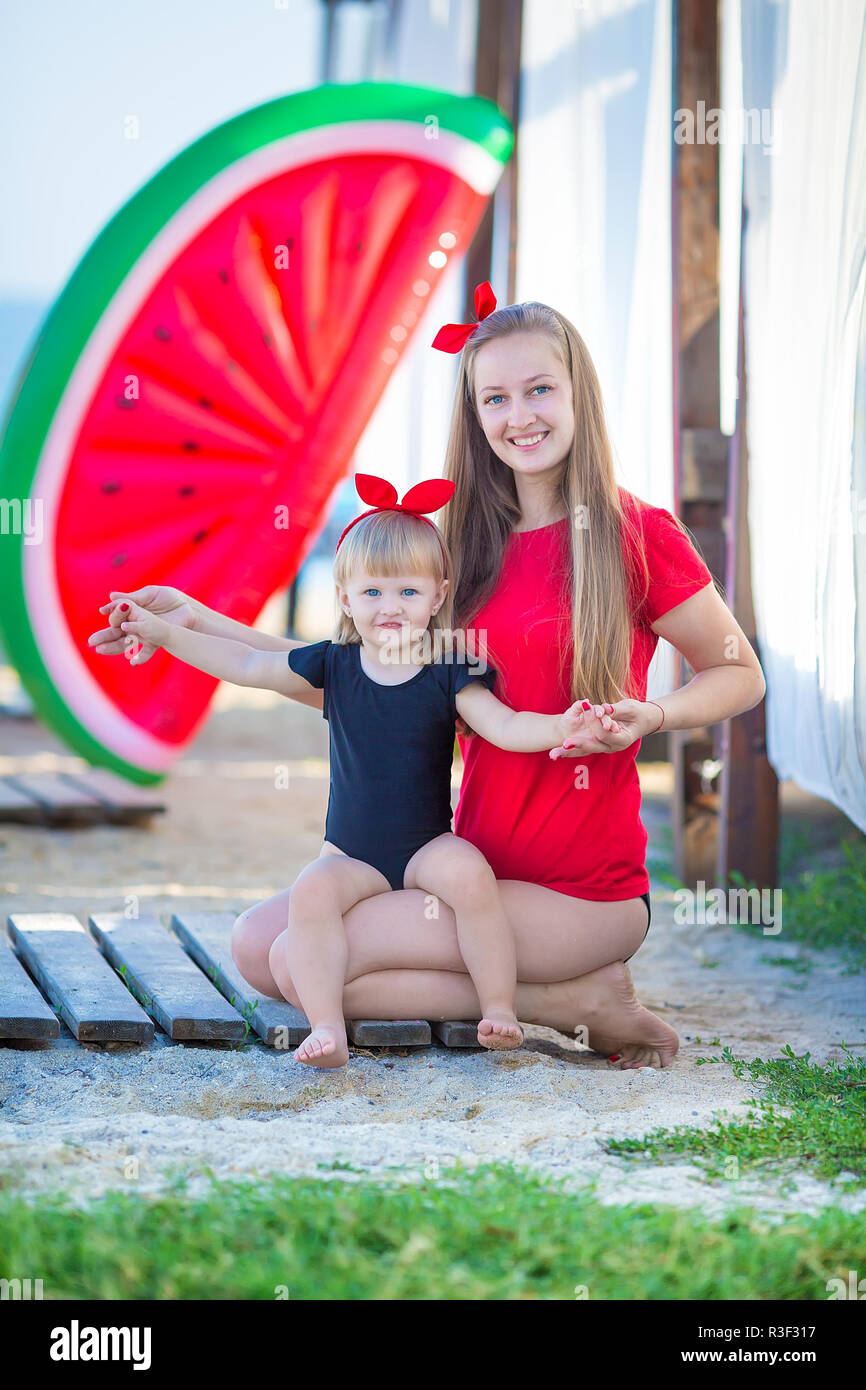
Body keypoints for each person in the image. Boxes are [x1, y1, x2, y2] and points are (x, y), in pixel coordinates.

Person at [88, 284, 765, 1071]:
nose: (521, 416)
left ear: (579, 392)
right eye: (496, 398)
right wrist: (191, 623)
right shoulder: (460, 552)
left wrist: (652, 715)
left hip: (582, 893)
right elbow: (358, 682)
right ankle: (559, 997)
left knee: (296, 967)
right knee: (252, 944)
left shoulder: (638, 533)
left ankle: (573, 1000)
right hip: (465, 862)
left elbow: (736, 673)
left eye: (541, 389)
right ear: (475, 415)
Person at [104, 470, 596, 1067]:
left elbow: (506, 726)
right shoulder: (334, 667)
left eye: (408, 593)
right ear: (344, 598)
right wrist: (163, 631)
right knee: (311, 892)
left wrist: (563, 727)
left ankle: (498, 1009)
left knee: (472, 878)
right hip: (350, 854)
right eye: (373, 593)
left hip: (426, 846)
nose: (390, 607)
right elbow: (245, 664)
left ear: (438, 596)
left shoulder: (448, 670)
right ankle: (327, 1028)